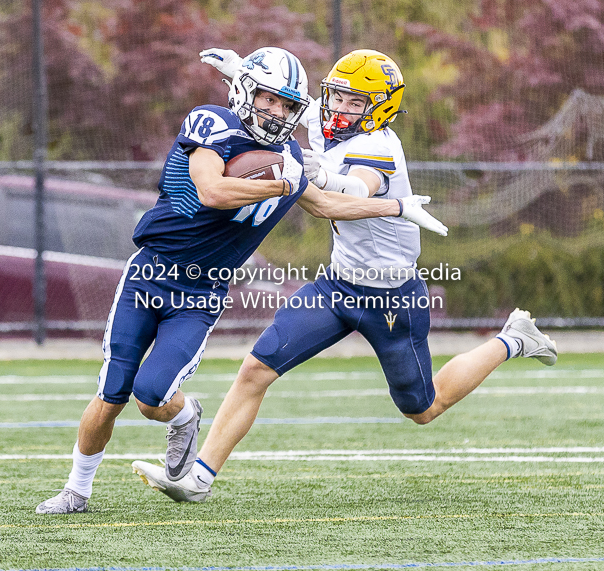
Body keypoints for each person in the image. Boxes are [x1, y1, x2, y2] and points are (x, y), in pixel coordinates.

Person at [130, 49, 558, 503]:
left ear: (379, 108)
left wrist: (321, 174)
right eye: (336, 95)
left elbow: (358, 187)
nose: (339, 107)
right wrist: (243, 73)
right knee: (256, 369)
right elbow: (297, 105)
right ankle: (198, 480)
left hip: (390, 298)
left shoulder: (379, 145)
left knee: (423, 407)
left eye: (355, 102)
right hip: (336, 287)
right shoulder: (334, 119)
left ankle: (514, 339)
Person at [35, 46, 448, 514]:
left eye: (287, 104)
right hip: (148, 272)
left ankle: (186, 417)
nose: (277, 111)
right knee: (112, 391)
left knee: (151, 397)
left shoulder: (298, 152)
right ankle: (77, 490)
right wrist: (283, 182)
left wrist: (395, 206)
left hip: (201, 291)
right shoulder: (213, 122)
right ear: (246, 91)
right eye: (268, 99)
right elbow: (212, 191)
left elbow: (331, 203)